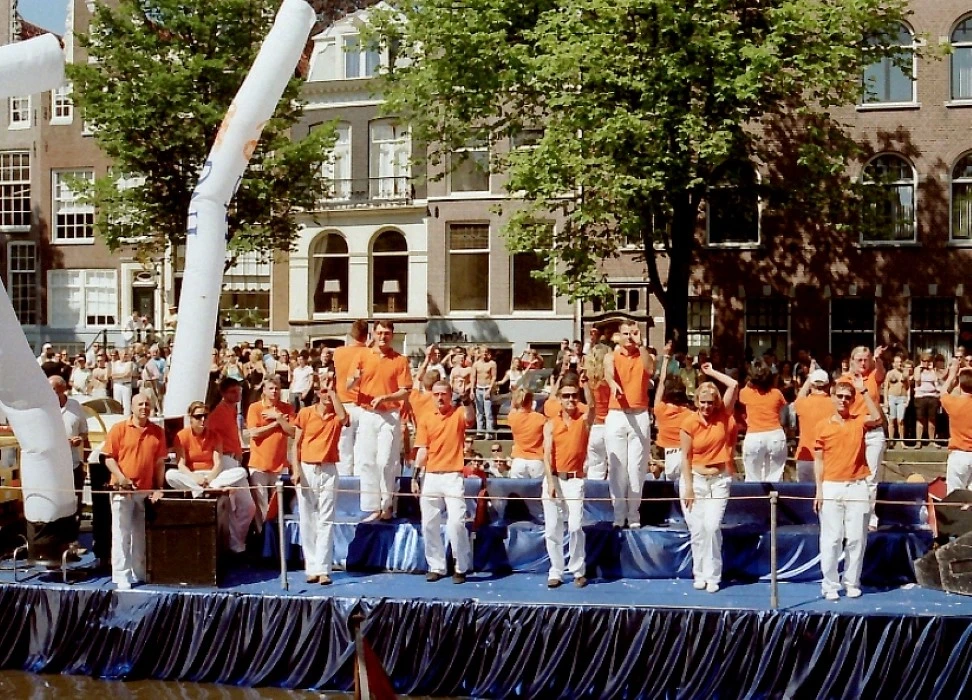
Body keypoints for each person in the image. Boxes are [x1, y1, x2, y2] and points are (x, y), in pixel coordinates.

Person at [813, 376, 881, 601]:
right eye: (839, 396)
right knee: (831, 539)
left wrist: (863, 392)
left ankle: (852, 582)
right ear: (832, 398)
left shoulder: (858, 421)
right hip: (831, 486)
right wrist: (819, 491)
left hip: (857, 486)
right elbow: (819, 461)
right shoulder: (822, 426)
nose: (843, 400)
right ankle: (830, 584)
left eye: (847, 397)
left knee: (856, 539)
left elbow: (878, 417)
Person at [679, 363, 739, 593]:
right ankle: (700, 573)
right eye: (702, 402)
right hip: (694, 478)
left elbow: (733, 384)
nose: (706, 406)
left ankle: (714, 574)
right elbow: (685, 457)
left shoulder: (723, 415)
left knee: (712, 527)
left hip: (719, 479)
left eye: (710, 402)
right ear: (696, 402)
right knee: (698, 530)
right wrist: (689, 487)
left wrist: (711, 372)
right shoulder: (689, 422)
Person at [167, 401, 254, 554]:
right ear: (191, 418)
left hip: (212, 477)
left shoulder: (214, 435)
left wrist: (211, 480)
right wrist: (194, 478)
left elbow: (218, 463)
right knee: (170, 475)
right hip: (192, 477)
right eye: (198, 416)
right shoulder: (181, 436)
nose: (202, 420)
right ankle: (202, 489)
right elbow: (181, 464)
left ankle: (210, 489)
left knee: (240, 472)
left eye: (205, 416)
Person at [411, 381, 475, 583]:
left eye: (444, 394)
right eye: (436, 394)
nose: (440, 397)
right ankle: (436, 566)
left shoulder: (457, 414)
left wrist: (466, 399)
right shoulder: (426, 418)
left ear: (449, 395)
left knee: (456, 522)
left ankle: (460, 566)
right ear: (432, 395)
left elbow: (470, 418)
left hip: (453, 475)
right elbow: (422, 448)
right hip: (430, 475)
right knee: (429, 523)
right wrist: (415, 476)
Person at [101, 393, 166, 590]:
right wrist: (121, 477)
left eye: (147, 404)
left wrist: (159, 487)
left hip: (144, 491)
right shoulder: (119, 428)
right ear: (132, 407)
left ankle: (139, 571)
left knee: (140, 533)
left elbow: (159, 462)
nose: (144, 407)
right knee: (121, 533)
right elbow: (108, 457)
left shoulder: (158, 432)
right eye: (140, 404)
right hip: (122, 490)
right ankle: (121, 575)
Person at [351, 320, 412, 522]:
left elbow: (405, 391)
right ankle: (372, 507)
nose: (383, 336)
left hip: (389, 414)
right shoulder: (362, 356)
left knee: (385, 461)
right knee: (367, 461)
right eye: (379, 333)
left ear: (392, 335)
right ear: (373, 334)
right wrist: (355, 379)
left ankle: (387, 504)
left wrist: (386, 398)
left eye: (386, 333)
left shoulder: (400, 360)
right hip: (367, 413)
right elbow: (348, 383)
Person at [292, 373, 348, 585]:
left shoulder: (337, 414)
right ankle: (311, 567)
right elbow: (296, 444)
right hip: (307, 467)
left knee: (326, 518)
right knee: (307, 519)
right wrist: (295, 469)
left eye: (330, 390)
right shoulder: (305, 413)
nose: (327, 394)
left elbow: (344, 419)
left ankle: (324, 568)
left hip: (329, 468)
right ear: (316, 392)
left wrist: (333, 392)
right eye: (323, 390)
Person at [543, 376, 596, 588]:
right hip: (555, 477)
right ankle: (556, 570)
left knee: (575, 526)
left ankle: (577, 570)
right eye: (566, 396)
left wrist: (585, 385)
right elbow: (546, 455)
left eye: (574, 396)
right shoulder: (550, 424)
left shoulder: (582, 420)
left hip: (574, 480)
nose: (571, 400)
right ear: (559, 398)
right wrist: (550, 482)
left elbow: (592, 407)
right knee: (552, 529)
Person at [603, 322, 656, 529]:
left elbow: (650, 369)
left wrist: (641, 344)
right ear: (619, 335)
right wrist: (612, 384)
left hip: (639, 413)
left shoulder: (645, 355)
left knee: (637, 468)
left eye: (633, 333)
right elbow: (608, 372)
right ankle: (618, 515)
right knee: (617, 467)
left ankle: (633, 515)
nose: (630, 337)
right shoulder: (611, 356)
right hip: (617, 414)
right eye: (626, 334)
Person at [840, 345, 887, 527]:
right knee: (851, 475)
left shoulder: (873, 376)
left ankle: (871, 516)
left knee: (871, 478)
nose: (862, 363)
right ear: (851, 361)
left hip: (874, 433)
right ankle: (851, 514)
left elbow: (881, 372)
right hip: (853, 431)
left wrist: (878, 359)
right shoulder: (843, 381)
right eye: (859, 360)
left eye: (866, 360)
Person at [246, 377, 296, 529]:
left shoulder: (287, 408)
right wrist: (276, 424)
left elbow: (293, 432)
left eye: (277, 388)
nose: (274, 391)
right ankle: (263, 537)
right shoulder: (255, 408)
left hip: (280, 464)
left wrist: (279, 418)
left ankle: (277, 535)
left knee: (278, 504)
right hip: (259, 463)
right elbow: (254, 433)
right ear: (264, 390)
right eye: (271, 388)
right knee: (261, 505)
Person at [49, 376, 89, 533]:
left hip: (73, 463)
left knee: (75, 503)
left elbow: (84, 432)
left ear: (62, 390)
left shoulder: (75, 406)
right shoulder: (44, 407)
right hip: (52, 466)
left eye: (54, 390)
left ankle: (73, 538)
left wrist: (80, 439)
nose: (52, 394)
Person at [333, 320, 373, 476]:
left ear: (351, 334)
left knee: (344, 448)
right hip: (363, 405)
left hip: (343, 405)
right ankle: (359, 482)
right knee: (362, 449)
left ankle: (344, 482)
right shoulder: (370, 353)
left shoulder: (339, 352)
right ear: (366, 335)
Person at [738, 365, 788, 482]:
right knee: (775, 477)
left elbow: (746, 387)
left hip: (754, 436)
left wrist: (751, 380)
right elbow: (782, 410)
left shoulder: (745, 392)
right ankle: (773, 499)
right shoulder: (777, 393)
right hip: (775, 434)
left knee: (752, 478)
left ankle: (754, 499)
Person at [654, 340, 693, 480]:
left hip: (668, 456)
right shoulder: (690, 414)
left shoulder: (660, 409)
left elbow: (661, 382)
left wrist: (665, 358)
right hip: (685, 457)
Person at [793, 368, 836, 482]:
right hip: (828, 456)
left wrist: (809, 379)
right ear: (827, 385)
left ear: (812, 385)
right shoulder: (834, 404)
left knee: (804, 494)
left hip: (805, 456)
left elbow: (800, 395)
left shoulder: (801, 403)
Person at [942, 358, 972, 494]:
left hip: (959, 454)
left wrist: (952, 375)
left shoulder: (954, 403)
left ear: (960, 386)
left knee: (954, 496)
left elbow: (943, 392)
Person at [584, 345, 612, 480]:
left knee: (595, 466)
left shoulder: (588, 380)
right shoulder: (611, 380)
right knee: (615, 468)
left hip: (596, 425)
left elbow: (590, 404)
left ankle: (594, 497)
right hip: (612, 423)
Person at [912, 351, 944, 449]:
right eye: (924, 361)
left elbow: (937, 380)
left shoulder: (934, 370)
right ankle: (918, 442)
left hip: (932, 396)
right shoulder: (917, 369)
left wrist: (932, 369)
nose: (926, 363)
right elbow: (917, 379)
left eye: (928, 361)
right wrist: (921, 368)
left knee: (932, 419)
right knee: (920, 419)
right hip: (920, 396)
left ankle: (932, 441)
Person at [883, 355, 910, 449]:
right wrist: (885, 400)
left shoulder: (905, 373)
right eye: (897, 362)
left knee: (900, 420)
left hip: (902, 397)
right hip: (892, 397)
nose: (899, 363)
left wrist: (907, 398)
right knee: (891, 419)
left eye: (900, 361)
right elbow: (886, 387)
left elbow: (908, 387)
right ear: (893, 364)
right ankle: (891, 440)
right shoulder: (890, 373)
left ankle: (902, 441)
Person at [472, 347, 497, 439]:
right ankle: (480, 432)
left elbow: (493, 377)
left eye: (486, 352)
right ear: (480, 353)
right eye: (483, 352)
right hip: (478, 389)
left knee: (488, 412)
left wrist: (489, 390)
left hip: (487, 389)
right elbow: (473, 377)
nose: (485, 354)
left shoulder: (492, 363)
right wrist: (472, 390)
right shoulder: (476, 364)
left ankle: (489, 433)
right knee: (479, 412)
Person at [111, 348, 135, 416]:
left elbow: (127, 374)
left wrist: (118, 376)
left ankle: (127, 418)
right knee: (117, 403)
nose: (124, 356)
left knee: (127, 404)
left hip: (126, 385)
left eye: (126, 354)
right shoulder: (115, 363)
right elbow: (112, 375)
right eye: (123, 354)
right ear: (119, 355)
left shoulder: (129, 363)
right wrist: (123, 375)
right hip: (117, 385)